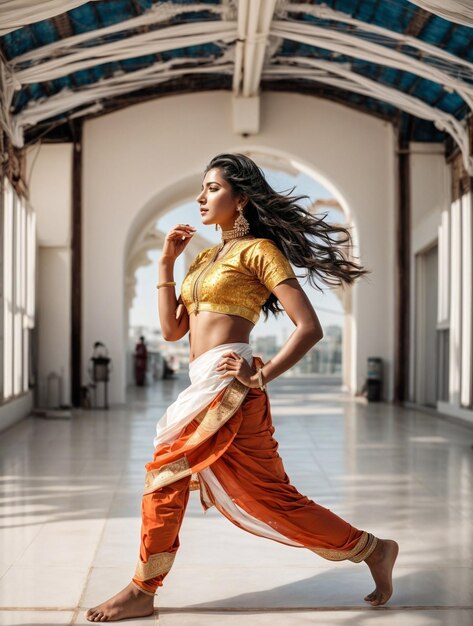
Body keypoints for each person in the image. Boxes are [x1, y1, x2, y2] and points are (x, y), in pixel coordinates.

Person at [86, 154, 398, 622]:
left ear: (242, 198)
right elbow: (173, 330)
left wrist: (262, 373)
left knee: (168, 474)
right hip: (202, 384)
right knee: (270, 499)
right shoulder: (206, 257)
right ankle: (372, 549)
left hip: (231, 386)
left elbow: (309, 326)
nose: (200, 197)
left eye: (212, 188)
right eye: (202, 188)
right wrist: (167, 263)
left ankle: (142, 589)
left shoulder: (259, 252)